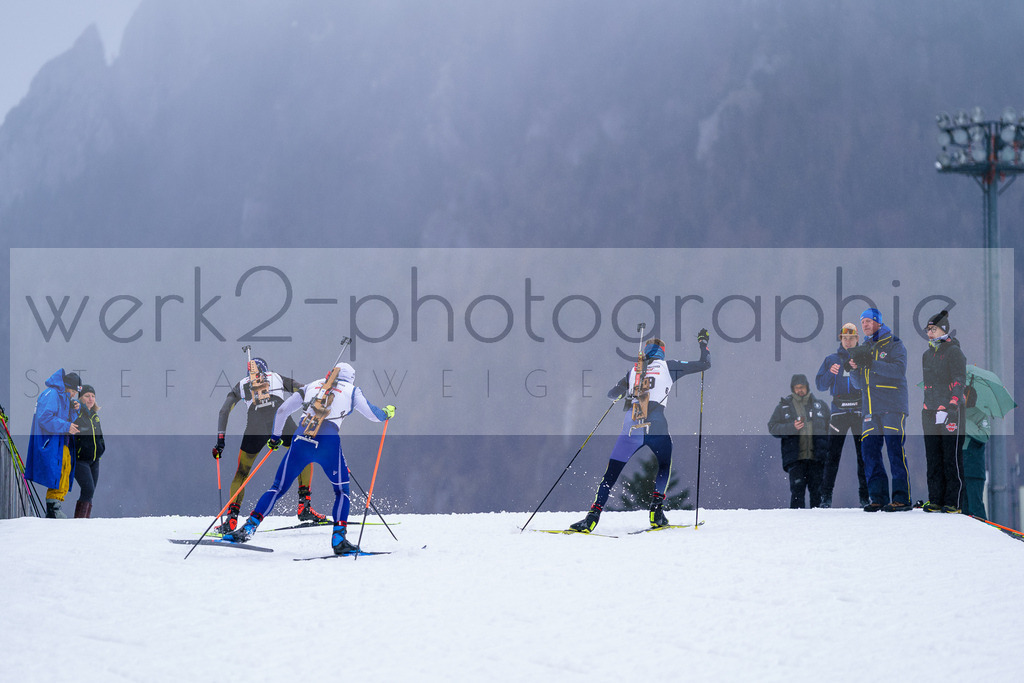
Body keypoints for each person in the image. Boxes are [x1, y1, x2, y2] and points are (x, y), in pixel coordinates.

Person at [223, 362, 395, 556]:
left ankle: (248, 528)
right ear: (351, 378)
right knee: (341, 491)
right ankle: (339, 539)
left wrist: (275, 437)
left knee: (277, 487)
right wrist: (388, 412)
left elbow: (282, 411)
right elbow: (374, 416)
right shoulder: (353, 391)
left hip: (301, 439)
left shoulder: (312, 386)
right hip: (328, 443)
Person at [569, 330, 711, 533]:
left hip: (631, 427)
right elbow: (705, 364)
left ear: (644, 352)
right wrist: (703, 343)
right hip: (657, 426)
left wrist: (627, 392)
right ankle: (656, 511)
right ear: (662, 352)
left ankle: (592, 517)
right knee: (664, 465)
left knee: (610, 474)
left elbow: (612, 395)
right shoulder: (669, 366)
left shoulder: (634, 370)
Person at [213, 357, 324, 533]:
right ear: (266, 369)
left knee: (242, 472)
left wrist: (221, 440)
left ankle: (232, 519)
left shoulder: (242, 384)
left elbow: (224, 410)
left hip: (255, 428)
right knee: (305, 456)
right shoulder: (277, 377)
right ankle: (305, 506)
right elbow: (304, 389)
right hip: (281, 423)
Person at [848, 308, 911, 512]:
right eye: (862, 322)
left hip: (892, 405)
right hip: (870, 409)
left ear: (878, 322)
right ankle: (877, 497)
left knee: (894, 450)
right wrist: (854, 369)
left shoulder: (894, 343)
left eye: (868, 321)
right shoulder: (864, 347)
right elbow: (858, 384)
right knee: (869, 452)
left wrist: (872, 363)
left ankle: (901, 498)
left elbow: (899, 371)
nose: (864, 325)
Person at [815, 323, 869, 508]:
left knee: (863, 455)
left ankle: (865, 498)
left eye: (851, 338)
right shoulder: (832, 359)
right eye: (844, 338)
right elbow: (820, 385)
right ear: (841, 339)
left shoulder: (863, 357)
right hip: (838, 411)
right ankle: (826, 498)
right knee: (832, 456)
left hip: (859, 410)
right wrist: (830, 374)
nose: (847, 341)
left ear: (857, 339)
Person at [920, 310, 966, 513]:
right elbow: (929, 384)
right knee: (933, 457)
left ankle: (953, 502)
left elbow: (959, 379)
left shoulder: (954, 352)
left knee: (951, 457)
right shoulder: (927, 354)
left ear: (944, 330)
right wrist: (927, 404)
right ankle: (935, 499)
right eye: (928, 330)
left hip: (951, 411)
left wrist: (952, 403)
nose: (930, 333)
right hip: (930, 411)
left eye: (934, 329)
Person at [24, 369, 81, 518]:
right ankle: (53, 507)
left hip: (62, 441)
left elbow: (64, 418)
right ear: (68, 386)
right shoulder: (52, 394)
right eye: (74, 391)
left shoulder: (62, 397)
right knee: (59, 469)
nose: (75, 394)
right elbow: (45, 418)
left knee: (66, 468)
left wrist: (74, 410)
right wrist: (66, 427)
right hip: (52, 441)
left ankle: (56, 504)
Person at [768, 374, 831, 508]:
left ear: (807, 387)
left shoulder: (821, 406)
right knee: (797, 493)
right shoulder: (783, 407)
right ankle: (797, 526)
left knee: (817, 494)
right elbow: (772, 427)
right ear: (792, 389)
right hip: (795, 459)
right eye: (796, 388)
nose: (799, 390)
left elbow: (831, 429)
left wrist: (828, 452)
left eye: (802, 387)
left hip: (817, 458)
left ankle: (820, 526)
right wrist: (791, 427)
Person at [73, 385, 105, 518]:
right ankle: (80, 522)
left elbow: (100, 436)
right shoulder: (77, 413)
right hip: (80, 459)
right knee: (88, 489)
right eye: (87, 396)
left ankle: (84, 522)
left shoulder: (94, 415)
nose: (91, 399)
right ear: (80, 398)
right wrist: (74, 405)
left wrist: (101, 449)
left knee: (90, 492)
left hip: (94, 460)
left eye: (93, 396)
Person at [961, 383, 989, 519]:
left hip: (973, 469)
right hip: (958, 470)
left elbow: (984, 436)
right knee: (961, 509)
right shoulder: (955, 413)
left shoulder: (981, 415)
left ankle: (984, 532)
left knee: (975, 507)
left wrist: (965, 421)